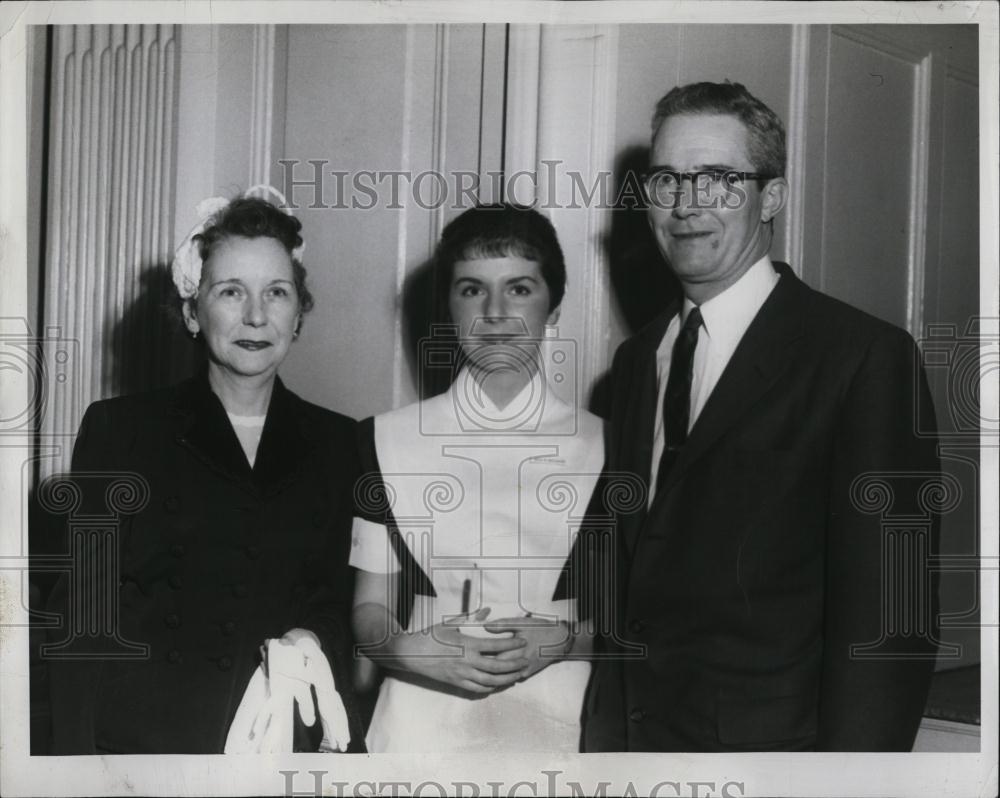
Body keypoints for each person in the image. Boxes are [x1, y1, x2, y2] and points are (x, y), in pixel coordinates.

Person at [582, 81, 941, 752]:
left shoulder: (861, 358)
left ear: (771, 197)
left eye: (718, 179)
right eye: (666, 180)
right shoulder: (635, 363)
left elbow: (893, 623)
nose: (687, 206)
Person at [43, 187, 365, 753]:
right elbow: (82, 621)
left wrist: (311, 636)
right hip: (145, 748)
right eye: (231, 291)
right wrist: (73, 769)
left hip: (276, 737)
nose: (256, 315)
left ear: (298, 315)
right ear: (193, 312)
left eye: (277, 292)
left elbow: (337, 601)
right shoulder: (121, 431)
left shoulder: (339, 442)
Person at [350, 204, 603, 752]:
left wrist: (562, 641)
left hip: (560, 728)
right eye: (471, 289)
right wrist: (408, 652)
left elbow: (632, 623)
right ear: (447, 305)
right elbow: (369, 609)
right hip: (418, 728)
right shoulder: (384, 440)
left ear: (553, 305)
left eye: (518, 289)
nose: (494, 313)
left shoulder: (607, 445)